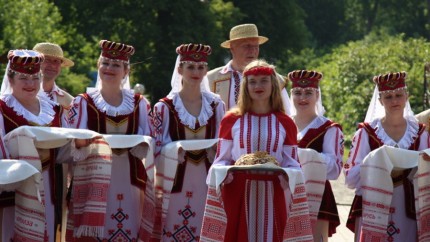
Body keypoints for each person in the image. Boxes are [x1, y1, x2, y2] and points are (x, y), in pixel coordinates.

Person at [0, 50, 105, 242]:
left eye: (35, 77)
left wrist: (78, 144)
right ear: (10, 79)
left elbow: (62, 150)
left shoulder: (54, 110)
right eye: (23, 78)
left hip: (49, 187)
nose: (31, 84)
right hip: (14, 192)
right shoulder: (2, 110)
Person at [67, 40, 154, 241]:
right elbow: (74, 143)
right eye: (105, 63)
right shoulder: (83, 102)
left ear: (126, 71)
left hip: (129, 177)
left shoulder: (140, 103)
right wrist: (83, 142)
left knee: (128, 227)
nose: (109, 68)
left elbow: (150, 140)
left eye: (116, 65)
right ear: (98, 66)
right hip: (94, 178)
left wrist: (141, 143)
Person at [208, 59, 303, 241]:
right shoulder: (231, 120)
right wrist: (223, 174)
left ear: (273, 84)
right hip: (237, 191)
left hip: (273, 192)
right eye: (252, 81)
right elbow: (221, 159)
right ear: (245, 86)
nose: (258, 85)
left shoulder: (286, 122)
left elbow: (292, 162)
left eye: (263, 80)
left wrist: (288, 177)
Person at [151, 43, 225, 240]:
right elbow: (156, 148)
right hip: (175, 183)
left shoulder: (217, 105)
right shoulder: (164, 107)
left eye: (201, 67)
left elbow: (225, 143)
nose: (196, 72)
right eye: (191, 67)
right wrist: (173, 151)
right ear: (179, 69)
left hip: (206, 182)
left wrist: (217, 149)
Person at [344, 71, 429, 241]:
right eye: (388, 97)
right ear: (380, 100)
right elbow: (351, 176)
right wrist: (377, 166)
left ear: (407, 96)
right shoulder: (366, 132)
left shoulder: (420, 132)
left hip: (409, 205)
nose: (394, 101)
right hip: (373, 205)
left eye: (398, 95)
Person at [288, 70, 343, 241]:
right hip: (286, 191)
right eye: (297, 93)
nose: (302, 98)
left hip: (317, 195)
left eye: (308, 93)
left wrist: (306, 156)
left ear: (317, 95)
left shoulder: (329, 128)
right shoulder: (283, 123)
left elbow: (334, 169)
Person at [207, 24, 291, 112]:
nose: (253, 51)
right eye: (247, 46)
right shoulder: (210, 79)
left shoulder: (275, 79)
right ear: (232, 48)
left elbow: (287, 114)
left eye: (256, 46)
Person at [33, 42, 75, 109]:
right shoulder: (19, 94)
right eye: (46, 60)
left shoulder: (70, 102)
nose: (52, 65)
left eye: (56, 61)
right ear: (34, 62)